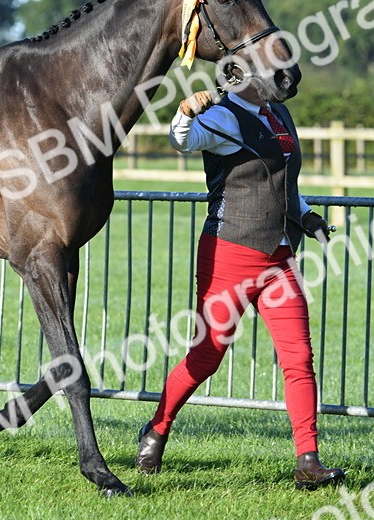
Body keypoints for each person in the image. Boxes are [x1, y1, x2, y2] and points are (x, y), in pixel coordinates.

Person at [135, 84, 346, 489]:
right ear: (239, 74)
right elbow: (182, 140)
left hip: (281, 255)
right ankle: (158, 429)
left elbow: (284, 185)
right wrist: (185, 111)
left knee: (299, 356)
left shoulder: (279, 115)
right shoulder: (223, 115)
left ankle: (308, 461)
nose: (278, 80)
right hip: (230, 251)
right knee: (205, 358)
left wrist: (309, 216)